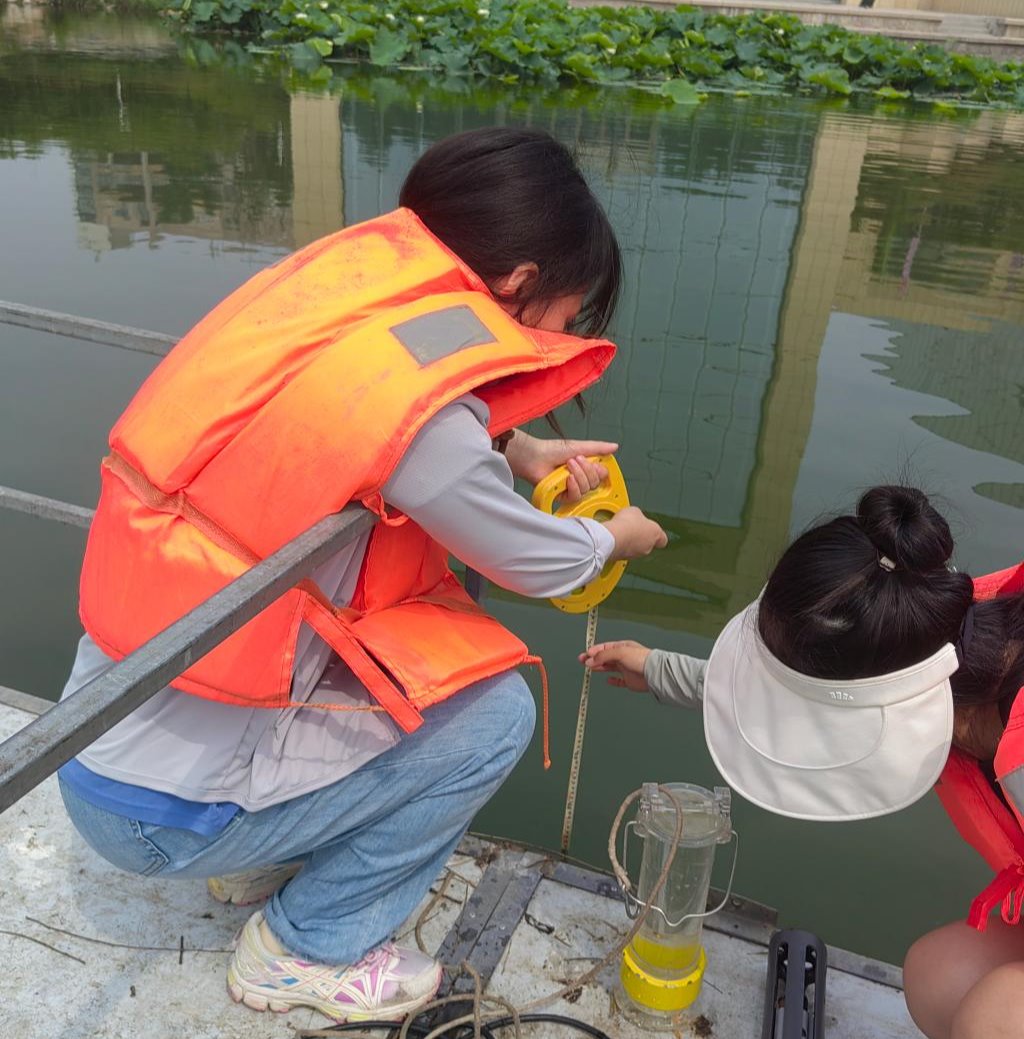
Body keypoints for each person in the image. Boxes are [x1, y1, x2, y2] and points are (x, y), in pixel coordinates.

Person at [58, 127, 668, 1024]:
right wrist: (614, 538)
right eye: (570, 316)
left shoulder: (338, 311)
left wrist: (517, 450)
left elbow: (391, 430)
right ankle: (306, 946)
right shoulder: (428, 421)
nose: (565, 337)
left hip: (93, 738)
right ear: (519, 283)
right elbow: (532, 558)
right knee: (493, 716)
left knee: (368, 661)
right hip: (155, 815)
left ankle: (256, 853)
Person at [583, 485, 1024, 1039]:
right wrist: (658, 670)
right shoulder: (933, 639)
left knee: (993, 1019)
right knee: (940, 978)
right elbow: (797, 695)